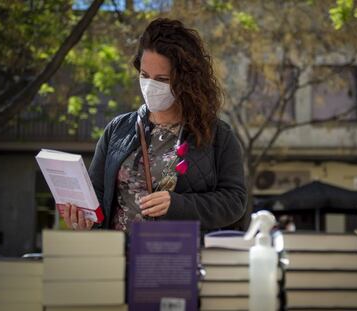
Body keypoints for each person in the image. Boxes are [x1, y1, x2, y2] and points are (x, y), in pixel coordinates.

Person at [62, 18, 247, 232]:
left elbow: (235, 201)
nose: (150, 86)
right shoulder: (117, 129)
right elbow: (97, 194)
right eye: (144, 75)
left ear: (186, 81)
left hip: (175, 258)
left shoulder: (217, 134)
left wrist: (177, 205)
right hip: (116, 258)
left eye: (162, 79)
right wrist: (84, 219)